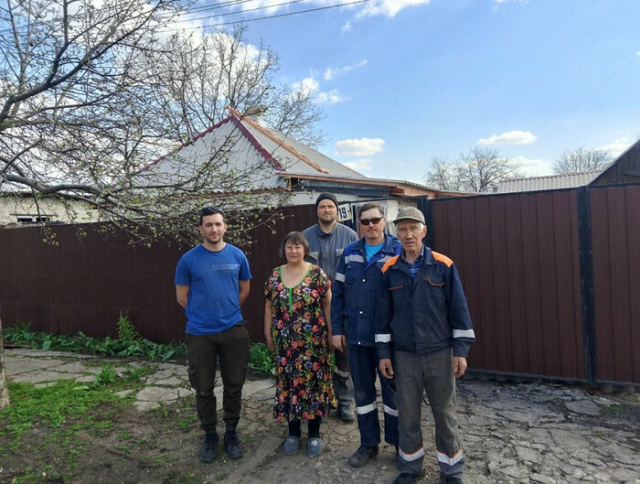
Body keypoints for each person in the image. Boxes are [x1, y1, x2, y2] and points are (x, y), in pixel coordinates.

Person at [376, 207, 476, 484]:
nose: (408, 234)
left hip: (439, 353)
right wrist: (384, 354)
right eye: (402, 229)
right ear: (396, 234)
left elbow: (459, 311)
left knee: (444, 413)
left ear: (424, 231)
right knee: (408, 413)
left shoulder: (443, 265)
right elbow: (382, 317)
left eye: (413, 228)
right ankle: (411, 467)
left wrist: (461, 351)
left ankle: (451, 470)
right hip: (404, 356)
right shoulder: (389, 269)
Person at [175, 207, 252, 463]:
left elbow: (244, 289)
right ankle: (210, 434)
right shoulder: (188, 260)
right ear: (201, 229)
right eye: (208, 225)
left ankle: (231, 432)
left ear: (225, 226)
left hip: (233, 331)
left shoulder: (237, 255)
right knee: (203, 388)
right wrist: (204, 315)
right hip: (200, 334)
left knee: (234, 385)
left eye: (218, 224)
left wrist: (227, 312)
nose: (214, 229)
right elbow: (182, 297)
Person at [331, 202, 402, 468]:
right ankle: (368, 444)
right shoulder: (349, 253)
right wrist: (337, 330)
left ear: (384, 220)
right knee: (362, 395)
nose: (371, 225)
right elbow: (338, 294)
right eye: (365, 221)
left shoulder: (397, 251)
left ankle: (399, 445)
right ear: (359, 225)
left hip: (389, 341)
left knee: (394, 396)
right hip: (357, 337)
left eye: (375, 220)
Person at [264, 231, 335, 457]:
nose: (293, 251)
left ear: (305, 250)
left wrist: (332, 332)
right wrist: (268, 332)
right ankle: (293, 432)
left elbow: (327, 303)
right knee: (289, 384)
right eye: (289, 247)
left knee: (313, 385)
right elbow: (269, 305)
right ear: (283, 250)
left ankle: (314, 433)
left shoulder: (316, 274)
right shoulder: (275, 275)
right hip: (285, 344)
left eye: (297, 247)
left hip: (314, 344)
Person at [303, 192, 358, 421]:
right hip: (312, 309)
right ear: (317, 211)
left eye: (330, 206)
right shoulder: (305, 238)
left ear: (336, 210)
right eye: (322, 206)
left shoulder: (350, 236)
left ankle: (345, 403)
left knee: (344, 357)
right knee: (315, 358)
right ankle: (320, 402)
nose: (327, 210)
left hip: (343, 307)